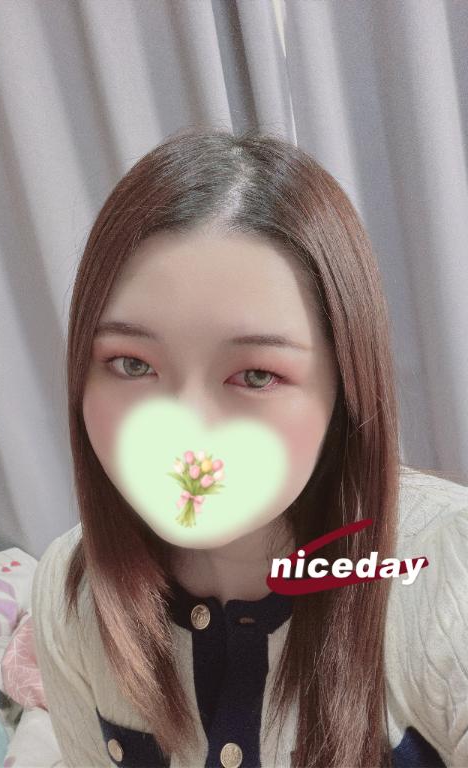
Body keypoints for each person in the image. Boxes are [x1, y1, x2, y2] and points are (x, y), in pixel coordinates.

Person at [31, 128, 468, 767]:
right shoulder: (71, 591)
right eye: (131, 364)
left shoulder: (445, 574)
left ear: (346, 388)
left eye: (256, 375)